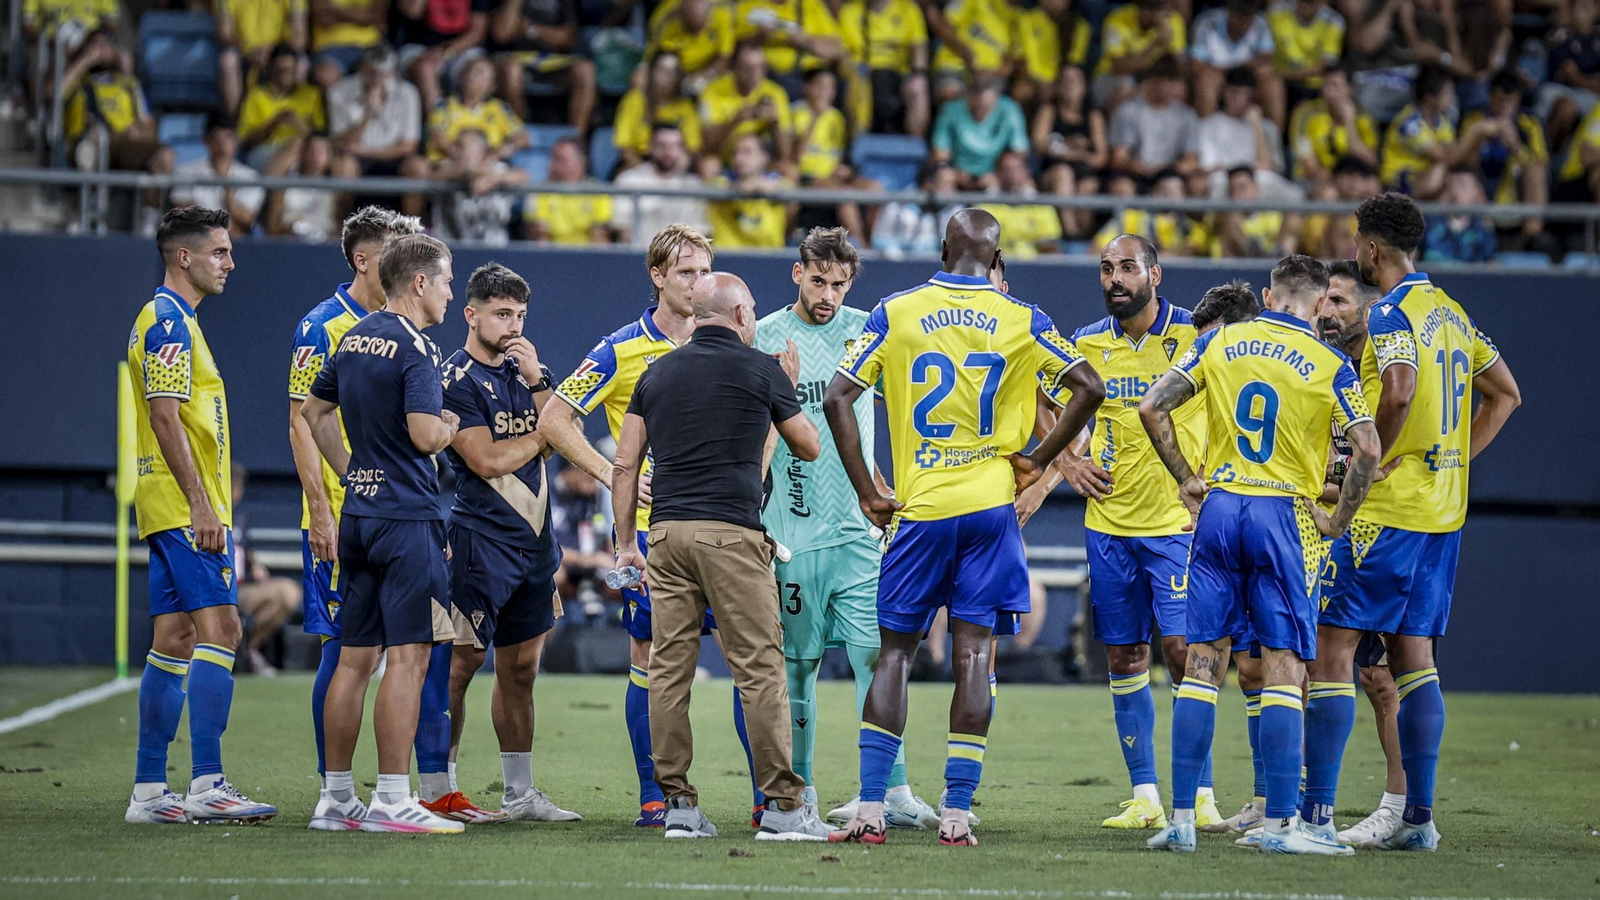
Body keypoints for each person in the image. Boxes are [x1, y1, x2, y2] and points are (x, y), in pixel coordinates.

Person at [825, 209, 1107, 846]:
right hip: (989, 509)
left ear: (943, 245)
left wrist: (869, 490)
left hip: (920, 508)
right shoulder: (1022, 317)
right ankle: (955, 813)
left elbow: (837, 396)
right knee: (975, 652)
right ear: (997, 252)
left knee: (894, 652)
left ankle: (871, 807)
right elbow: (1090, 385)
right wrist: (1040, 458)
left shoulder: (896, 311)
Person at [1140, 254, 1380, 856]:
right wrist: (1336, 518)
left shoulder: (1224, 341)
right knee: (1282, 670)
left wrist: (1186, 477)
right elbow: (1369, 452)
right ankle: (1279, 828)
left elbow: (1152, 405)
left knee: (1203, 665)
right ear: (1321, 300)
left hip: (1219, 508)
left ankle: (1182, 822)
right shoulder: (1331, 363)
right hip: (1282, 515)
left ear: (1271, 293)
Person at [1307, 193, 1521, 852]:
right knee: (1413, 658)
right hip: (1441, 512)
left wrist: (1372, 463)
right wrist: (1448, 464)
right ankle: (1417, 818)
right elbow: (1506, 395)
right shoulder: (1454, 316)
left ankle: (1311, 819)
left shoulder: (1394, 313)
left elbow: (1396, 389)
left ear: (1371, 249)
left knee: (1330, 652)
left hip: (1387, 515)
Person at [537, 226, 762, 828]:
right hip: (657, 537)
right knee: (653, 658)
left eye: (704, 271)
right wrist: (616, 473)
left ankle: (766, 802)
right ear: (657, 276)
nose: (697, 283)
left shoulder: (737, 337)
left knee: (752, 661)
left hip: (730, 523)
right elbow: (555, 419)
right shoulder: (621, 349)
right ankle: (655, 797)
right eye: (685, 272)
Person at [610, 271, 833, 841]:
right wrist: (783, 389)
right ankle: (783, 809)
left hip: (664, 538)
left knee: (668, 672)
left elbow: (625, 463)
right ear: (738, 316)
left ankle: (678, 806)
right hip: (731, 537)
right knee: (759, 670)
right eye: (752, 309)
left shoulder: (654, 372)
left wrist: (623, 543)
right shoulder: (761, 368)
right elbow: (806, 444)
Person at [1029, 235, 1223, 832]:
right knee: (1122, 653)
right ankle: (1145, 796)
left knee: (1185, 653)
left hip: (1177, 523)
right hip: (1109, 524)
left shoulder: (1197, 335)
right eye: (1107, 269)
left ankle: (1203, 794)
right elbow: (1038, 396)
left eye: (1128, 267)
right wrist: (1066, 463)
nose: (1115, 278)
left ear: (1156, 273)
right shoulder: (1087, 344)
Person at [751, 229, 938, 830]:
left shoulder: (869, 330)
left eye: (839, 284)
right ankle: (800, 792)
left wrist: (888, 488)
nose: (828, 294)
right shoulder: (764, 336)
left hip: (859, 530)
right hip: (792, 531)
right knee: (797, 666)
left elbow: (904, 406)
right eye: (818, 280)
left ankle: (890, 791)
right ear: (797, 273)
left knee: (878, 658)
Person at [299, 233, 461, 835]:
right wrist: (447, 425)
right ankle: (394, 798)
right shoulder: (417, 348)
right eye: (445, 281)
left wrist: (352, 474)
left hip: (361, 518)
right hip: (407, 519)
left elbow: (312, 414)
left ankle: (336, 799)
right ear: (419, 282)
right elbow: (422, 435)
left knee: (352, 659)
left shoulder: (354, 336)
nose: (448, 292)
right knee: (410, 658)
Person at [124, 206, 277, 827]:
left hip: (166, 504)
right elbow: (165, 414)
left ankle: (148, 792)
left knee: (175, 640)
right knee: (223, 631)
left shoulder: (174, 320)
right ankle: (208, 782)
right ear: (182, 256)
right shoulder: (167, 324)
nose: (230, 262)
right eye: (219, 252)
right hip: (185, 506)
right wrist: (201, 502)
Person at [422, 263, 583, 824]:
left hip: (536, 545)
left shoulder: (529, 372)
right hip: (479, 542)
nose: (513, 325)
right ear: (471, 314)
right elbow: (486, 460)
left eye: (519, 314)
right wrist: (544, 436)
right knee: (458, 667)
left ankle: (520, 794)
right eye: (501, 314)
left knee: (520, 671)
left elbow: (573, 440)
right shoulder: (453, 379)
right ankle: (439, 789)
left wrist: (539, 380)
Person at [286, 206, 423, 797]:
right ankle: (333, 784)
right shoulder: (324, 325)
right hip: (349, 515)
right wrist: (325, 501)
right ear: (365, 259)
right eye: (393, 248)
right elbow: (301, 420)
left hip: (385, 509)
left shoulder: (394, 322)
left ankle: (386, 785)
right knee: (345, 649)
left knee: (388, 653)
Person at [1309, 259, 1407, 848]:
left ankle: (1373, 807)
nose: (1326, 312)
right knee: (1369, 670)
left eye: (1340, 302)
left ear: (1369, 309)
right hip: (1345, 529)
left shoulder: (1383, 377)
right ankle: (1291, 798)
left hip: (1374, 533)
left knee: (1361, 667)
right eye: (1324, 301)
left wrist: (1325, 482)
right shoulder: (1334, 368)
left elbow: (1366, 467)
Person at [326, 44, 430, 218]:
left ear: (392, 73)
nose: (377, 79)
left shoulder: (408, 93)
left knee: (418, 168)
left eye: (383, 73)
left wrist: (365, 151)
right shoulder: (339, 92)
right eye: (372, 72)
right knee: (343, 167)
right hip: (355, 158)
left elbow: (408, 146)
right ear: (362, 69)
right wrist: (368, 115)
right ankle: (340, 229)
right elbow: (341, 142)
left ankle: (413, 231)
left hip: (393, 157)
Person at [1457, 69, 1550, 250]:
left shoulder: (1530, 123)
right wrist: (1482, 137)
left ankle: (1533, 235)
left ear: (1517, 101)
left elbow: (1541, 162)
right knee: (1465, 177)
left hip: (1515, 190)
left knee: (1535, 170)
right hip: (1482, 188)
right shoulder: (1474, 120)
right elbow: (1462, 161)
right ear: (1490, 97)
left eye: (1509, 101)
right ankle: (1482, 234)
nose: (1503, 107)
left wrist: (1516, 147)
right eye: (1498, 100)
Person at [231, 465, 302, 676]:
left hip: (239, 589)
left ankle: (248, 649)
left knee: (288, 592)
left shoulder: (239, 520)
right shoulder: (201, 514)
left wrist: (255, 565)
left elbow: (245, 550)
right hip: (210, 589)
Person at [491, 0, 597, 131]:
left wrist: (530, 29)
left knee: (586, 70)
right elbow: (502, 33)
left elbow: (568, 38)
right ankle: (518, 135)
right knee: (512, 71)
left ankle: (576, 139)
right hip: (516, 60)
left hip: (555, 62)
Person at [1031, 65, 1108, 238]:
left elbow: (1101, 158)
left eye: (1075, 81)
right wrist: (1071, 147)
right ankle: (1069, 233)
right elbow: (1039, 144)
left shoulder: (1093, 116)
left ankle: (1084, 238)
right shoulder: (1049, 111)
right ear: (1058, 86)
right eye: (1065, 81)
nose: (1070, 85)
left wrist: (1072, 153)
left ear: (1084, 86)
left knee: (1087, 186)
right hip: (1052, 172)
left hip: (1084, 171)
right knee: (1064, 174)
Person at [612, 125, 713, 247]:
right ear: (650, 147)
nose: (668, 152)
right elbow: (623, 229)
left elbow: (699, 234)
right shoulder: (628, 181)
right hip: (641, 256)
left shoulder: (694, 186)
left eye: (674, 146)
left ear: (683, 150)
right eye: (662, 145)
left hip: (681, 260)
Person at [840, 0, 931, 136]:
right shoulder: (849, 11)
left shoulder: (908, 8)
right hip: (865, 71)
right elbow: (843, 52)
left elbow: (919, 45)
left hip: (898, 72)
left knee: (919, 85)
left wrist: (918, 72)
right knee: (858, 80)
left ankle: (915, 144)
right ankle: (859, 138)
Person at [426, 54, 530, 174]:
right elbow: (438, 138)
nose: (473, 77)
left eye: (481, 74)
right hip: (450, 165)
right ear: (461, 77)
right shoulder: (445, 105)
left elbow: (523, 138)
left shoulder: (499, 108)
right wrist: (468, 161)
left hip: (489, 165)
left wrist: (497, 154)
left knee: (519, 175)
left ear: (491, 86)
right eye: (470, 72)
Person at [698, 41, 794, 170]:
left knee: (788, 169)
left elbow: (786, 154)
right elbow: (707, 147)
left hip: (758, 162)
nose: (754, 74)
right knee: (708, 164)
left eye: (760, 67)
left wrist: (775, 123)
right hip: (724, 160)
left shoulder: (775, 93)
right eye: (747, 68)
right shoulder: (712, 91)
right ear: (734, 68)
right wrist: (736, 119)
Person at [238, 44, 328, 176]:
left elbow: (321, 138)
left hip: (305, 151)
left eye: (289, 70)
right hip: (266, 150)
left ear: (296, 69)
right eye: (280, 70)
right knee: (295, 150)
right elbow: (248, 143)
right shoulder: (256, 96)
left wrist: (299, 125)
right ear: (270, 69)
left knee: (304, 149)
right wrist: (274, 123)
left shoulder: (312, 94)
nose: (284, 75)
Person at [170, 115, 266, 238]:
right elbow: (184, 214)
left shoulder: (251, 177)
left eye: (227, 139)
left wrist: (225, 181)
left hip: (236, 243)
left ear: (236, 142)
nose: (222, 147)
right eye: (217, 140)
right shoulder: (186, 172)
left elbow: (245, 219)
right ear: (206, 142)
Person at [394, 0, 494, 116]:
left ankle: (473, 124)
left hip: (460, 47)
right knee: (424, 68)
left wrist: (445, 50)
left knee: (479, 70)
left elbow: (477, 32)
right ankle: (440, 125)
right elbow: (412, 11)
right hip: (417, 46)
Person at [930, 75, 1030, 190]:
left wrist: (997, 174)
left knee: (1015, 170)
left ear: (996, 99)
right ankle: (949, 208)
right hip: (958, 171)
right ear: (968, 98)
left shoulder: (1010, 109)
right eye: (975, 106)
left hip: (996, 173)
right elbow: (940, 154)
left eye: (986, 107)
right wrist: (957, 173)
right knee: (944, 176)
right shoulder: (951, 110)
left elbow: (1020, 151)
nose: (980, 111)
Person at [1108, 58, 1199, 184]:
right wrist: (1134, 166)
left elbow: (1192, 160)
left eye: (1176, 82)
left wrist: (1167, 169)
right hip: (1134, 174)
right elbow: (1119, 158)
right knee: (1122, 186)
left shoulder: (1186, 115)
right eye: (1169, 82)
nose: (1173, 88)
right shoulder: (1128, 111)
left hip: (1170, 173)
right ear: (1153, 81)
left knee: (1173, 184)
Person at [1191, 0, 1280, 124]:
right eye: (1240, 18)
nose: (1245, 24)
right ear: (1229, 12)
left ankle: (1274, 138)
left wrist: (1242, 69)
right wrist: (1234, 68)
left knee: (1272, 83)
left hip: (1247, 76)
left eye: (1249, 18)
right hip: (1218, 77)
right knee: (1207, 82)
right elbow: (1197, 64)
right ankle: (1205, 138)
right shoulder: (1207, 22)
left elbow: (1266, 58)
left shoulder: (1260, 22)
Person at [614, 52, 702, 174]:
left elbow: (692, 148)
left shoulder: (686, 107)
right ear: (652, 72)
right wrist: (647, 173)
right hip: (639, 161)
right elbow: (624, 147)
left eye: (674, 72)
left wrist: (671, 171)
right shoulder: (634, 99)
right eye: (662, 70)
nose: (668, 76)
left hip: (673, 164)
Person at [1287, 66, 1377, 186]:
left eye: (1335, 86)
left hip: (1354, 179)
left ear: (1349, 89)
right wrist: (1339, 180)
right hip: (1315, 180)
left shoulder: (1362, 116)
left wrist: (1349, 122)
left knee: (1372, 187)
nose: (1328, 91)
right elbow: (1309, 164)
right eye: (1326, 85)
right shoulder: (1306, 113)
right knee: (1329, 194)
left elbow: (1370, 162)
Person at [216, 0, 307, 118]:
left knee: (302, 63)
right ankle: (235, 121)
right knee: (228, 61)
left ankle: (296, 119)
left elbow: (300, 37)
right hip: (244, 51)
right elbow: (225, 34)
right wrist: (248, 50)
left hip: (279, 50)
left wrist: (274, 52)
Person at [1380, 67, 1461, 199]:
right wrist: (1476, 133)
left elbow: (1452, 152)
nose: (1451, 99)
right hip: (1396, 181)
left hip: (1423, 176)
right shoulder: (1409, 123)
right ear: (1430, 97)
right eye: (1447, 94)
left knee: (1459, 180)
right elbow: (1445, 157)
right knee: (1441, 168)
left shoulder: (1442, 121)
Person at [1093, 0, 1187, 108]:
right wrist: (1155, 45)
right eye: (1158, 9)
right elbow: (1119, 68)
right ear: (1142, 9)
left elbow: (1179, 67)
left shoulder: (1173, 20)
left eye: (1165, 9)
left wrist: (1169, 44)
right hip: (1110, 76)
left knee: (1176, 87)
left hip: (1150, 76)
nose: (1164, 15)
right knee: (1126, 85)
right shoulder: (1118, 19)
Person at [707, 134, 792, 249]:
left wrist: (763, 186)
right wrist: (738, 188)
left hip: (768, 259)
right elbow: (717, 188)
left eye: (747, 152)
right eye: (735, 153)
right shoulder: (721, 181)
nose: (739, 158)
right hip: (727, 258)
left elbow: (787, 188)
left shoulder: (777, 183)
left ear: (763, 157)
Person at [525, 137, 614, 244]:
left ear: (580, 162)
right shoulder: (539, 192)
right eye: (552, 158)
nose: (550, 165)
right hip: (552, 256)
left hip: (587, 257)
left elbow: (600, 238)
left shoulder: (598, 191)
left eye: (559, 159)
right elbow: (540, 238)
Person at [982, 151, 1062, 260]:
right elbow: (980, 248)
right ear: (998, 174)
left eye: (1018, 169)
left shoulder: (1041, 206)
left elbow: (1050, 248)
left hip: (1033, 268)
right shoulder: (984, 207)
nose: (1013, 174)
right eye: (1007, 169)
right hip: (994, 267)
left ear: (1027, 172)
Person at [645, 0, 737, 89]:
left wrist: (705, 75)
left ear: (709, 18)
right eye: (690, 30)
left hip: (706, 69)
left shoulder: (723, 13)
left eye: (699, 30)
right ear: (680, 15)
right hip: (676, 71)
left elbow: (725, 56)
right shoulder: (666, 19)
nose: (695, 36)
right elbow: (658, 55)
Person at [1419, 170, 1496, 263]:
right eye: (1450, 185)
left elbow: (1490, 265)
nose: (1454, 191)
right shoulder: (1428, 225)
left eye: (1462, 186)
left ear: (1477, 192)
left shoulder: (1482, 231)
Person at [309, 0, 389, 88]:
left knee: (378, 77)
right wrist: (359, 14)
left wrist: (334, 9)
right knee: (326, 76)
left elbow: (374, 15)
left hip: (370, 46)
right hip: (329, 47)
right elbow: (324, 18)